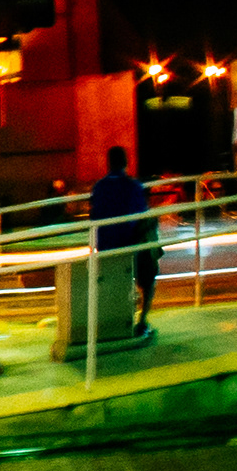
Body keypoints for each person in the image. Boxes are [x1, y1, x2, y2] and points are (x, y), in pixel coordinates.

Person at [89, 145, 156, 344]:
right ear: (126, 162)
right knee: (150, 273)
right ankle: (142, 320)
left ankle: (114, 319)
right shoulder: (133, 186)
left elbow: (94, 217)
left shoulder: (99, 187)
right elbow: (141, 217)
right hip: (129, 245)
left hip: (105, 246)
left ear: (108, 163)